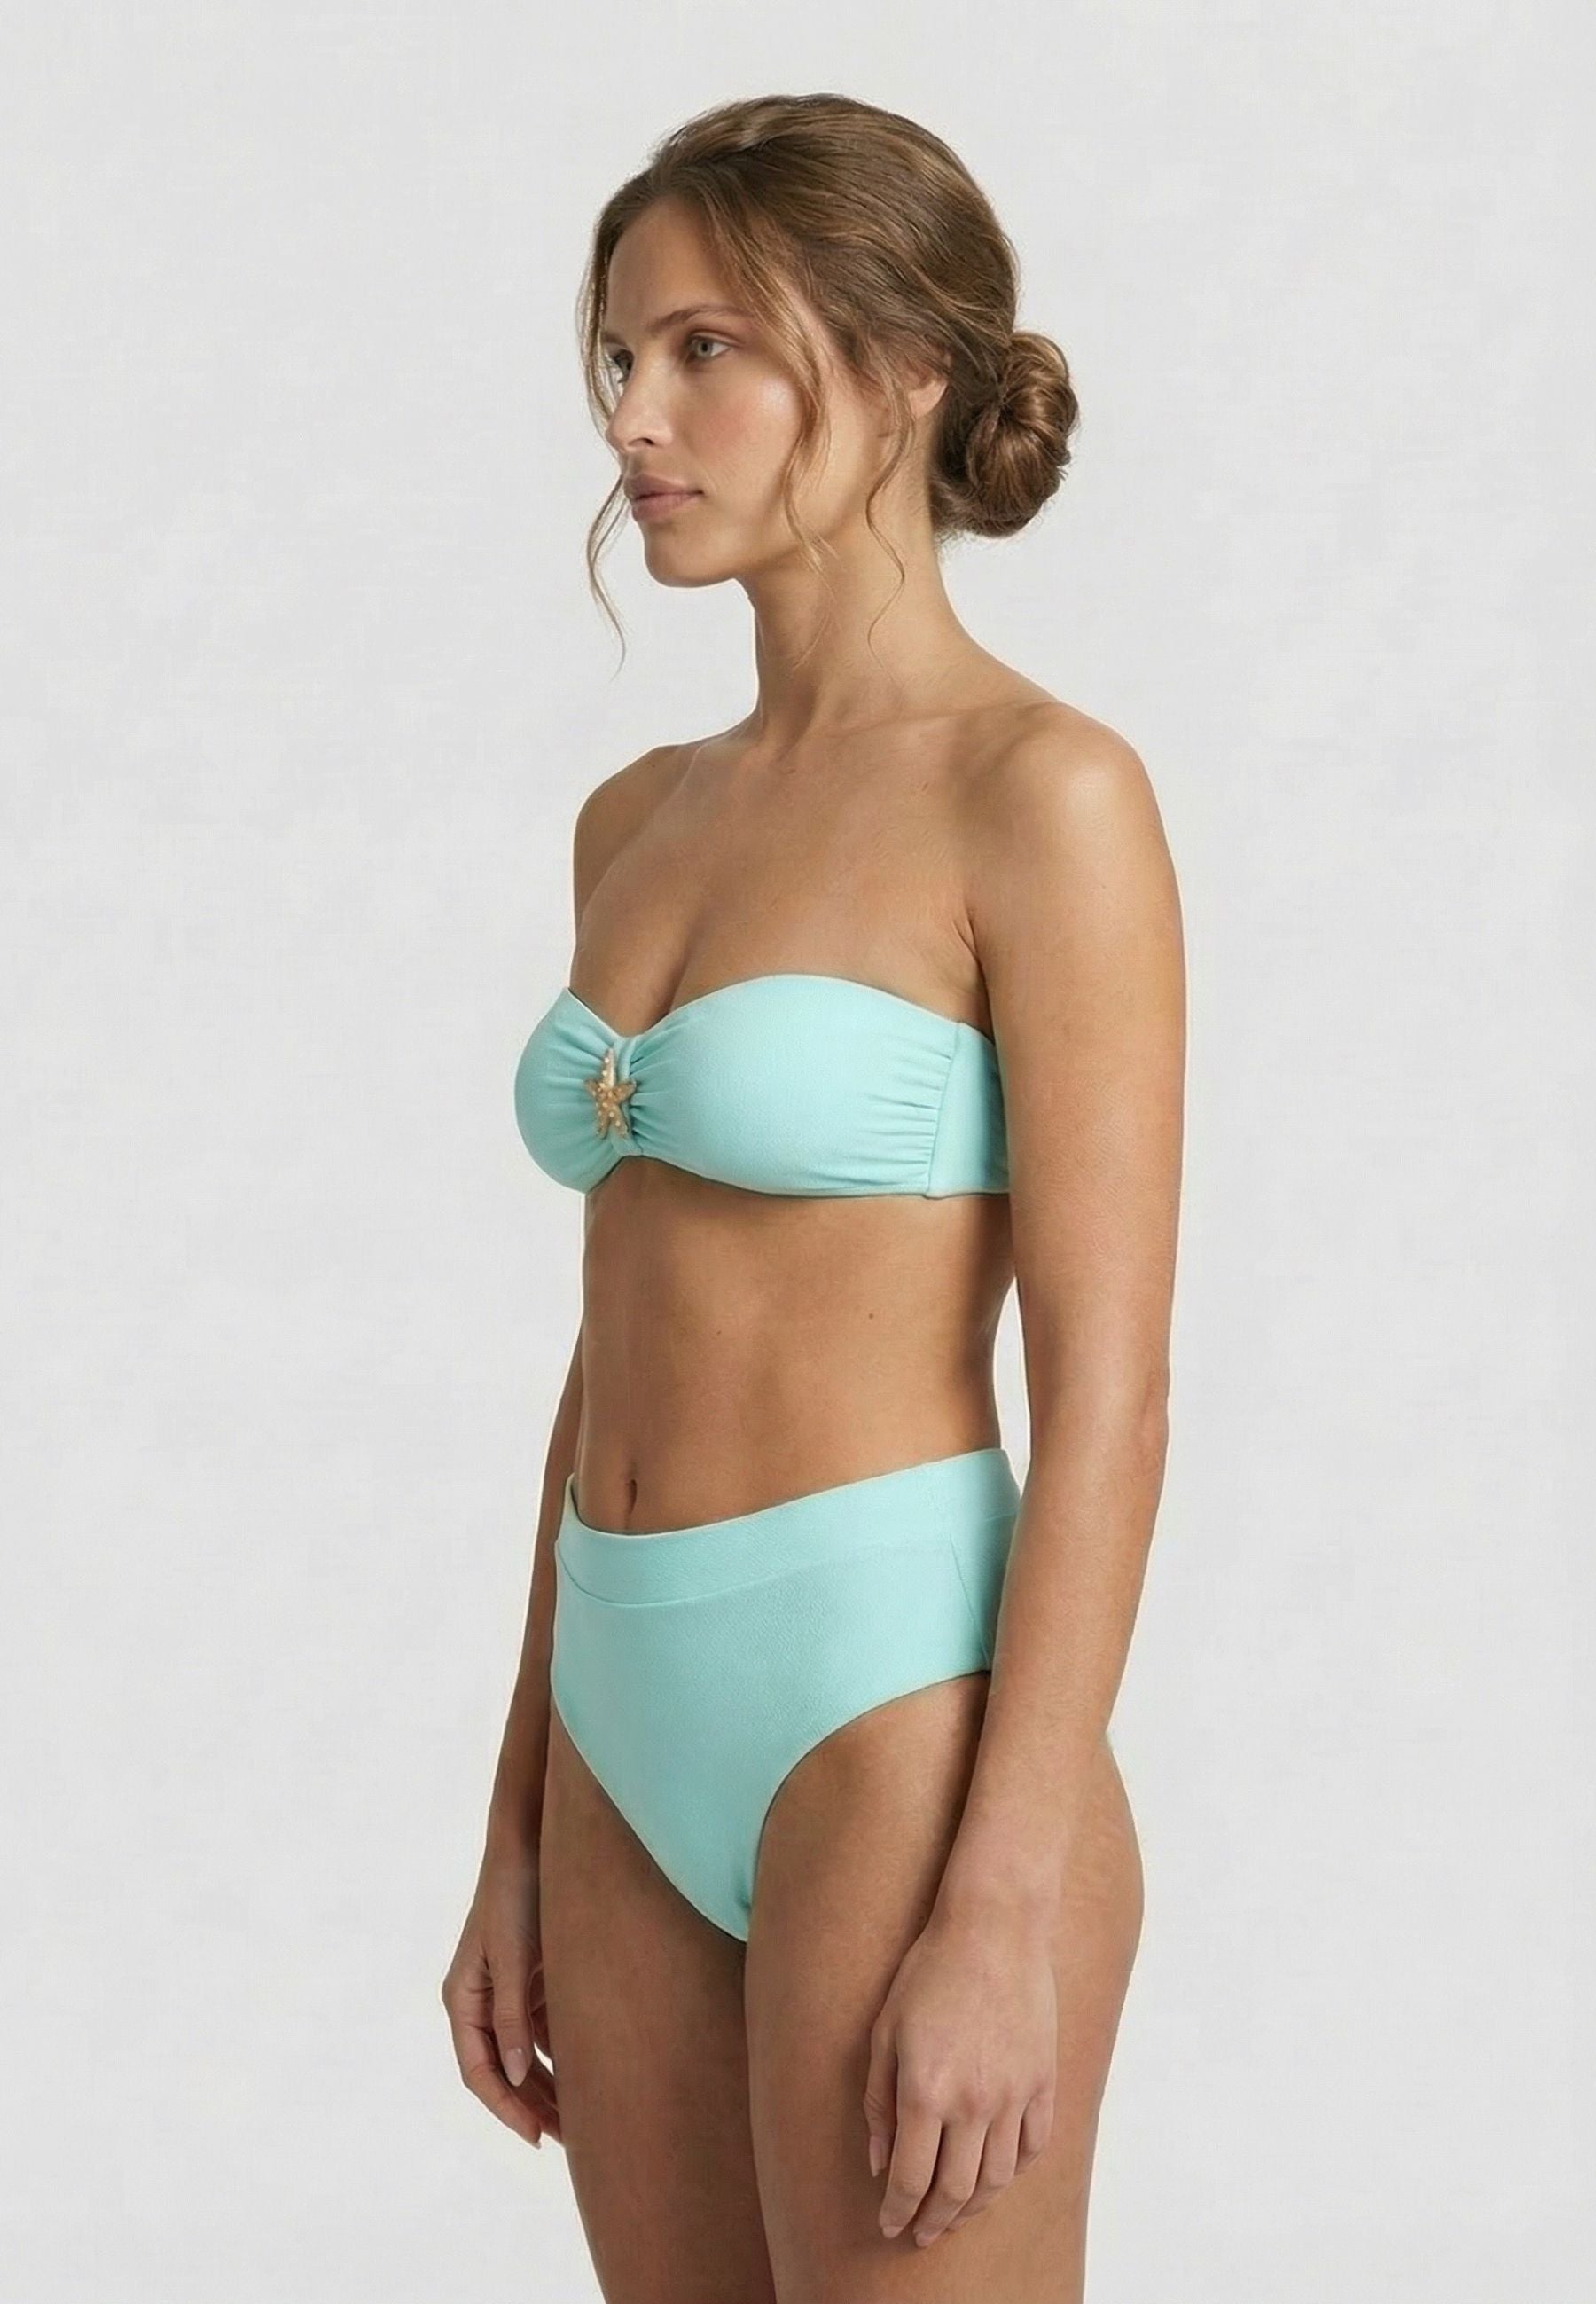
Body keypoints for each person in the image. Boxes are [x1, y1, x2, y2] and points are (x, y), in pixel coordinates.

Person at [442, 91, 1185, 2301]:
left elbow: (1114, 1398)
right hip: (616, 1710)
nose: (633, 420)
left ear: (905, 371)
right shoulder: (636, 819)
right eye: (620, 356)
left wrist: (1007, 1896)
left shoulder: (1042, 795)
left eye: (705, 351)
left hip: (892, 1714)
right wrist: (515, 1816)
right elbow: (618, 1335)